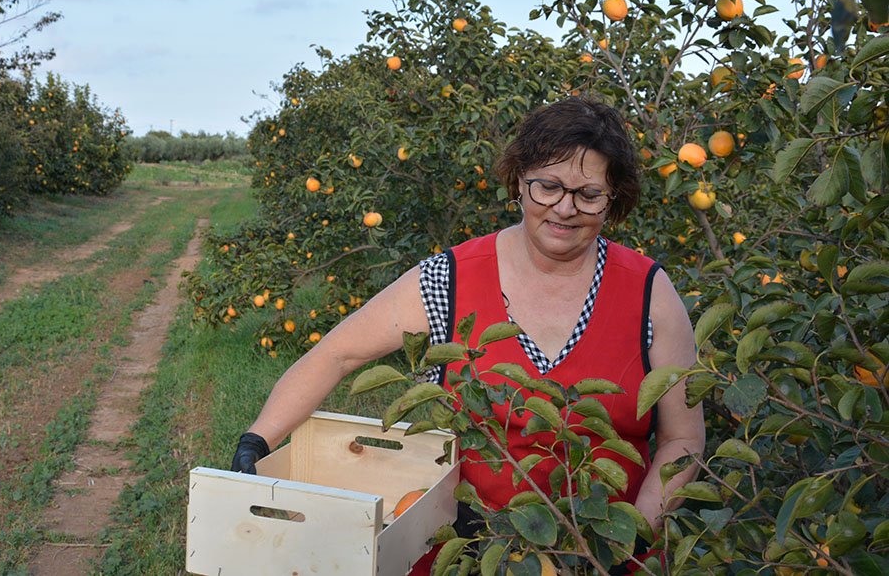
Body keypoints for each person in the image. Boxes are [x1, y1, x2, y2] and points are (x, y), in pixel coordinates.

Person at [231, 97, 706, 574]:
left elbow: (682, 438)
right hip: (467, 550)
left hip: (603, 553)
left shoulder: (648, 293)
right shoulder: (450, 279)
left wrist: (630, 540)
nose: (565, 208)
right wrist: (258, 441)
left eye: (588, 194)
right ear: (520, 181)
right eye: (548, 186)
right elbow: (335, 356)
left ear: (613, 199)